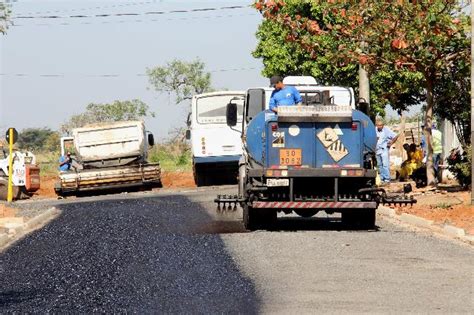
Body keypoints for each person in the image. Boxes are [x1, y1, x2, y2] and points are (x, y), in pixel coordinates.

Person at [375, 119, 398, 184]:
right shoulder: (374, 130)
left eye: (381, 125)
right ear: (376, 125)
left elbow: (395, 135)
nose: (380, 127)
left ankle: (387, 179)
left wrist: (391, 142)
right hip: (377, 149)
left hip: (384, 149)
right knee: (379, 165)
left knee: (385, 164)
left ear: (383, 125)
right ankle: (382, 179)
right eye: (378, 125)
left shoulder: (386, 130)